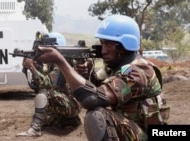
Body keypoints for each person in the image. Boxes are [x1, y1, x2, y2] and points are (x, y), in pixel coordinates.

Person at [34, 15, 170, 141]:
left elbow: (92, 99)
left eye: (109, 45)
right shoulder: (118, 68)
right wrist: (87, 74)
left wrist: (61, 62)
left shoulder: (138, 71)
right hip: (138, 129)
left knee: (98, 116)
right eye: (102, 44)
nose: (104, 50)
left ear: (126, 45)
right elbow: (98, 89)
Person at [16, 32, 82, 137]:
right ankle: (69, 121)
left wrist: (32, 68)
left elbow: (47, 83)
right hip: (65, 103)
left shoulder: (63, 62)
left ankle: (35, 128)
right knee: (47, 119)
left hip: (72, 105)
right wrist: (37, 68)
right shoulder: (53, 63)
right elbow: (39, 84)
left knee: (45, 93)